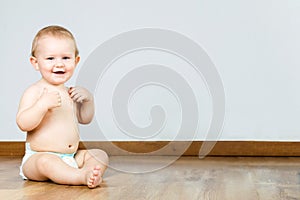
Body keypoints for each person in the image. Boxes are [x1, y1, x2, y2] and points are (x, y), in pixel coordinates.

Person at [16, 25, 108, 188]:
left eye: (65, 58)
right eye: (50, 59)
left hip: (70, 157)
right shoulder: (35, 91)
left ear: (76, 60)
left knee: (99, 154)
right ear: (35, 63)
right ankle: (80, 176)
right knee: (47, 162)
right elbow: (23, 123)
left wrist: (88, 101)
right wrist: (41, 105)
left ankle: (89, 171)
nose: (59, 64)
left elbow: (84, 119)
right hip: (38, 157)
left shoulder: (70, 92)